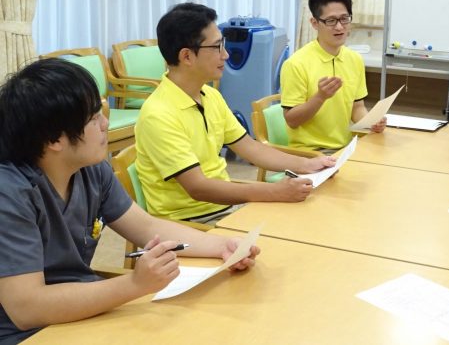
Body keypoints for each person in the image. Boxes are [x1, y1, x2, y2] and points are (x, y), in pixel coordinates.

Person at [0, 59, 260, 344]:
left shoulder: (91, 170)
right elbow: (27, 308)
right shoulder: (10, 193)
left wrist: (223, 247)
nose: (106, 123)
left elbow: (146, 227)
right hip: (29, 333)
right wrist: (135, 284)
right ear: (53, 139)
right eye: (93, 118)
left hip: (83, 312)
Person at [136, 3, 335, 223]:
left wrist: (306, 164)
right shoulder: (158, 114)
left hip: (224, 208)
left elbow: (250, 148)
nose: (226, 54)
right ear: (187, 56)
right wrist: (274, 191)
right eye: (217, 47)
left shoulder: (210, 96)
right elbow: (198, 188)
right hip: (191, 222)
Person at [280, 0, 386, 152]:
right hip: (311, 153)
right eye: (331, 21)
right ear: (315, 23)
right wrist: (320, 97)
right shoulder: (295, 64)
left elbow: (357, 107)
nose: (339, 27)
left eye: (344, 19)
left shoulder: (354, 59)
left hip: (345, 148)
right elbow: (292, 120)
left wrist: (370, 123)